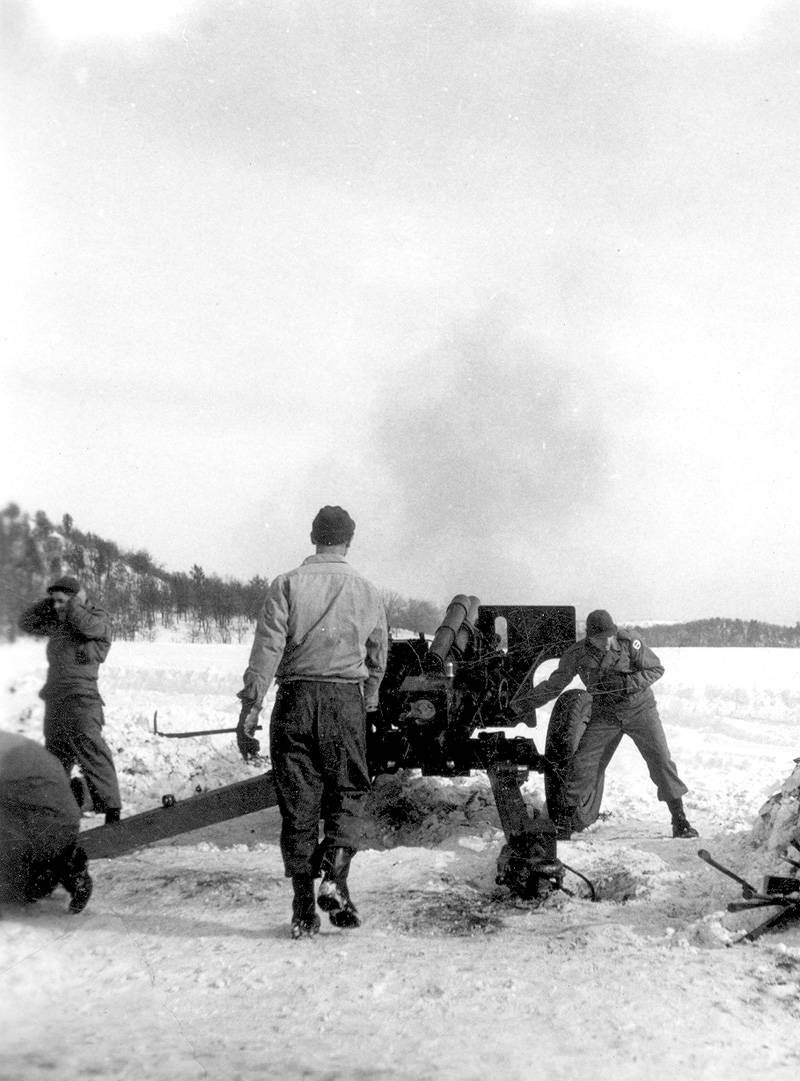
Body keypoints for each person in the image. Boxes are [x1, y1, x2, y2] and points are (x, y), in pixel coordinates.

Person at [237, 506, 388, 939]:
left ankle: (303, 909)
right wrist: (370, 699)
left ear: (312, 537)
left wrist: (250, 709)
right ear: (349, 540)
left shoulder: (286, 584)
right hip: (345, 701)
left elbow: (266, 650)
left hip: (295, 700)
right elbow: (377, 656)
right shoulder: (367, 590)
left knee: (299, 805)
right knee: (348, 789)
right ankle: (336, 879)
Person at [512, 609, 698, 840]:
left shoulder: (630, 642)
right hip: (605, 715)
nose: (607, 643)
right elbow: (554, 684)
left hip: (640, 710)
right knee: (582, 764)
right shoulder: (577, 654)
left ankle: (680, 821)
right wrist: (522, 704)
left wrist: (627, 682)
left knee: (661, 760)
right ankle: (563, 824)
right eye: (600, 639)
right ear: (589, 637)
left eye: (609, 637)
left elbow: (656, 669)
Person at [18, 576, 122, 824]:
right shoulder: (59, 622)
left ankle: (112, 811)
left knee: (92, 752)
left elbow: (88, 628)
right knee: (54, 761)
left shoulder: (98, 618)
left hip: (82, 698)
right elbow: (26, 623)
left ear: (76, 600)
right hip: (56, 698)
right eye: (53, 602)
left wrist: (72, 604)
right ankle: (55, 814)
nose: (56, 607)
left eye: (61, 601)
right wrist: (50, 602)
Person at [0, 729, 93, 912]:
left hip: (44, 830)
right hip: (62, 825)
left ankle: (63, 869)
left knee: (19, 894)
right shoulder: (16, 746)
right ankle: (66, 866)